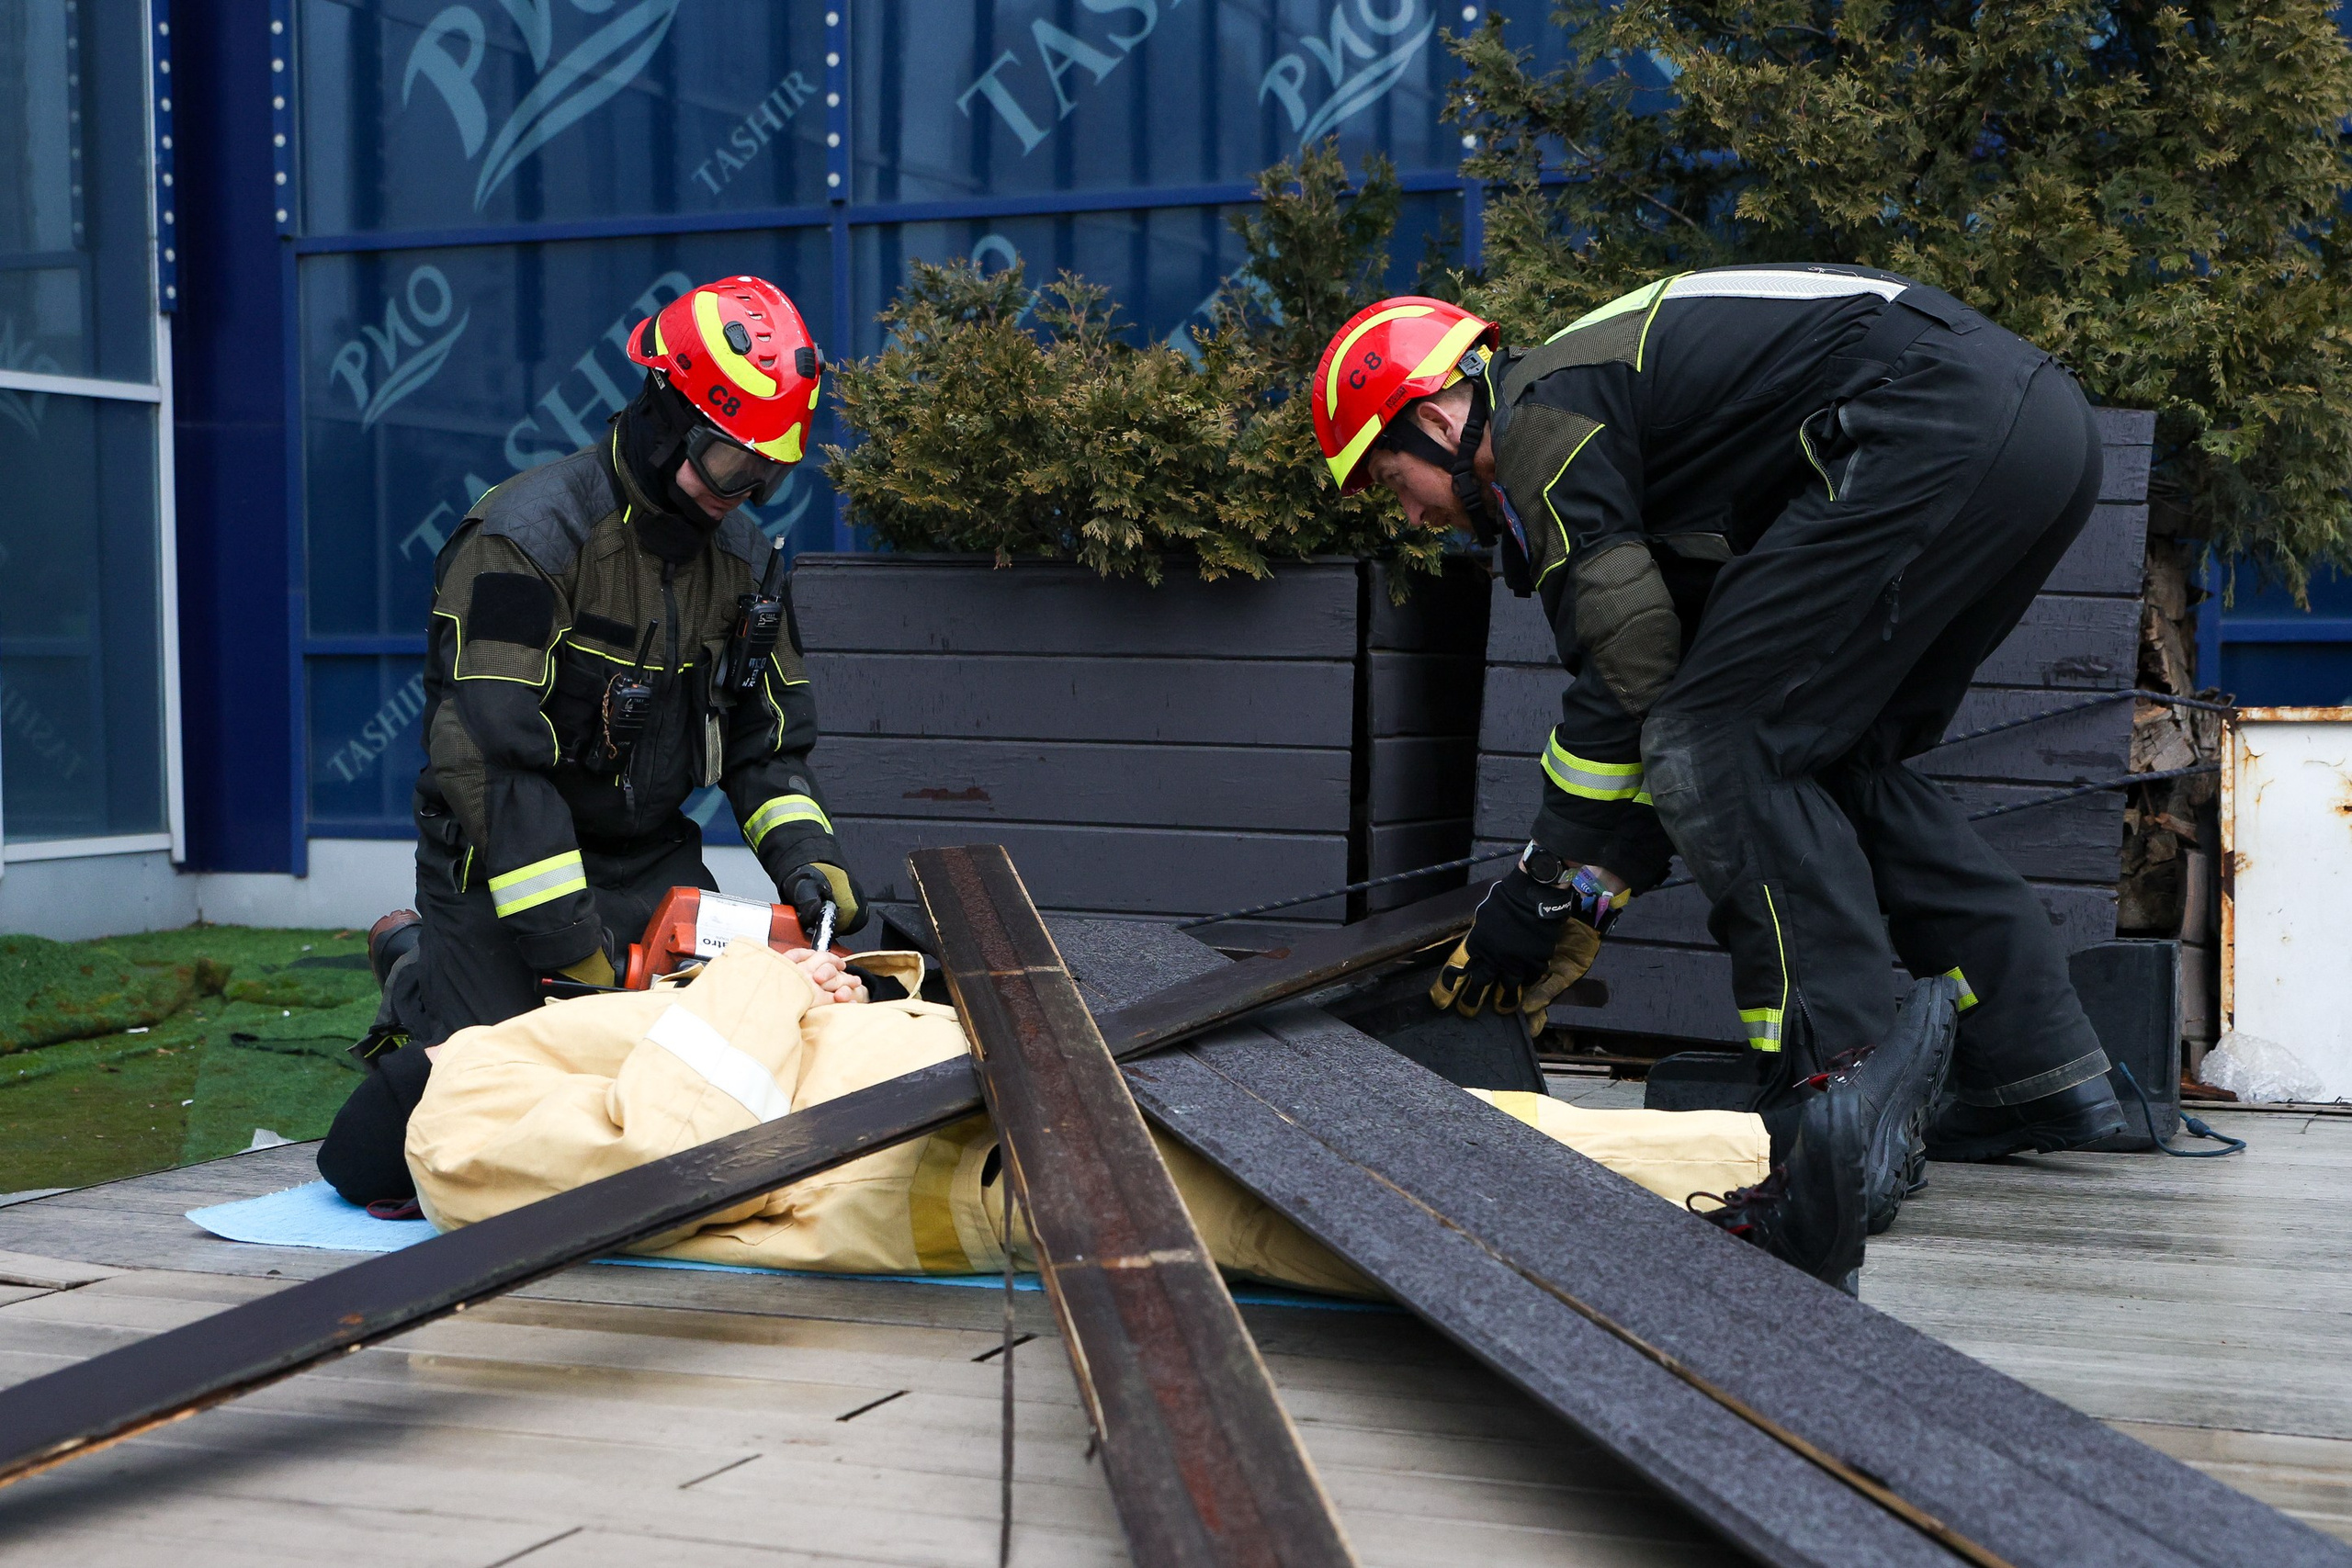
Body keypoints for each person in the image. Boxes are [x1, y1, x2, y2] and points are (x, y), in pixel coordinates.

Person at [1314, 267, 2127, 1208]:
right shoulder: (1623, 417)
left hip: (1932, 426)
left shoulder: (1541, 418)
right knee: (1822, 752)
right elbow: (1663, 681)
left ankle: (1836, 1098)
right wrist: (1590, 889)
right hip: (2043, 434)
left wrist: (1546, 889)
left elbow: (1635, 670)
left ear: (1436, 420)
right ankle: (2038, 1071)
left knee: (1722, 746)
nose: (1410, 513)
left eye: (1388, 476)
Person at [394, 933, 1955, 1294]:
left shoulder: (516, 1050)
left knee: (1396, 1135)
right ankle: (1753, 1200)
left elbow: (712, 1059)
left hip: (965, 1099)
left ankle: (1775, 1162)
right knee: (1332, 1200)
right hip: (953, 1158)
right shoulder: (452, 1107)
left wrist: (824, 983)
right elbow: (692, 1138)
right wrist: (761, 976)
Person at [322, 274, 866, 1207]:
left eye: (766, 476)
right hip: (502, 869)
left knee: (696, 1096)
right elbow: (493, 763)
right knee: (478, 1134)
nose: (740, 494)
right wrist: (574, 951)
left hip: (650, 862)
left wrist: (811, 871)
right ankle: (420, 969)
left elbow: (766, 747)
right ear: (664, 415)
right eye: (729, 465)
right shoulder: (525, 540)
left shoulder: (748, 565)